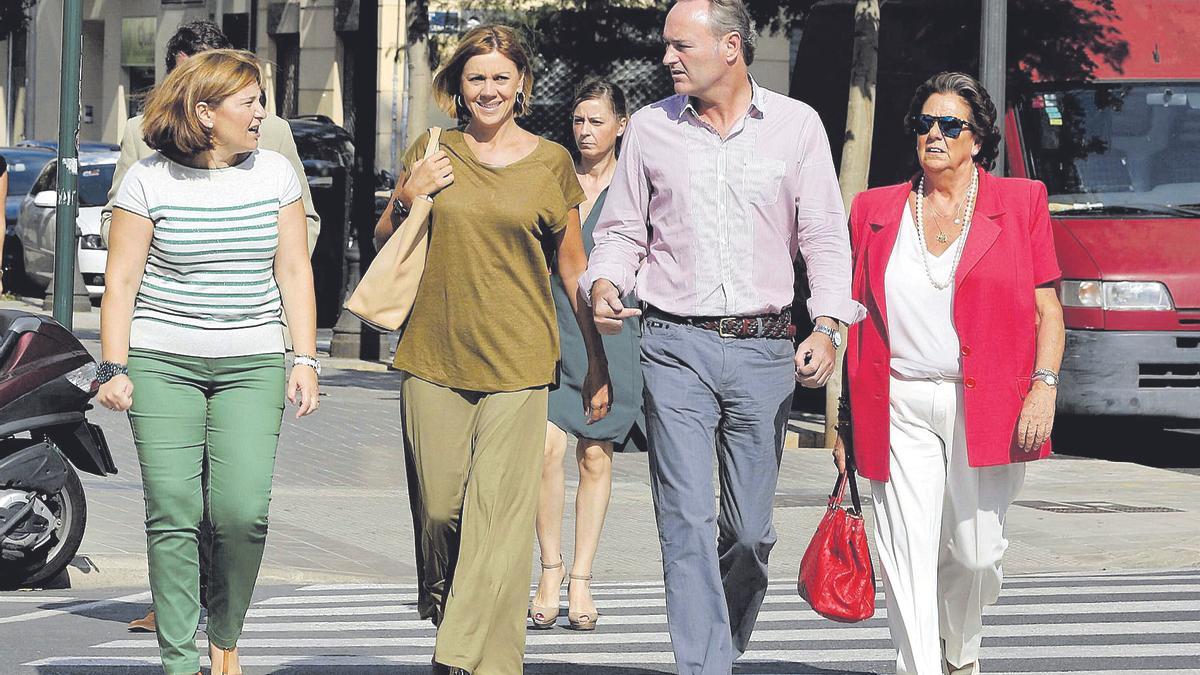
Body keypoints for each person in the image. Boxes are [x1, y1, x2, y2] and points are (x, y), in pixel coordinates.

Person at [581, 1, 863, 671]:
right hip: (673, 345)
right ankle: (705, 663)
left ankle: (721, 638)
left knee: (747, 533)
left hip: (767, 348)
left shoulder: (797, 127)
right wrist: (603, 282)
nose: (666, 58)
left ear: (730, 48)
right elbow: (622, 229)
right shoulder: (651, 129)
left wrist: (828, 325)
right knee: (684, 520)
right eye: (666, 45)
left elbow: (823, 234)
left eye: (681, 45)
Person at [374, 24, 612, 675]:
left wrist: (594, 358)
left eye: (501, 78)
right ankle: (452, 608)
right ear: (459, 85)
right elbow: (384, 237)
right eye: (476, 78)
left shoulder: (550, 162)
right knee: (441, 510)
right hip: (432, 358)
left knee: (500, 521)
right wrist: (409, 191)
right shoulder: (433, 148)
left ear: (522, 86)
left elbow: (572, 269)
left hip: (520, 366)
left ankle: (470, 658)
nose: (488, 89)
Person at [97, 49, 320, 675]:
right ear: (205, 112)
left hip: (252, 363)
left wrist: (305, 358)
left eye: (259, 100)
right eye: (248, 102)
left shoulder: (276, 173)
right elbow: (121, 283)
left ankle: (225, 632)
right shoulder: (149, 181)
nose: (261, 113)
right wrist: (114, 367)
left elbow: (295, 268)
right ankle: (178, 660)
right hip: (162, 360)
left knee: (241, 513)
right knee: (174, 509)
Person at [836, 71, 1066, 675]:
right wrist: (843, 418)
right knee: (906, 558)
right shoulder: (873, 210)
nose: (933, 135)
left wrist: (1043, 387)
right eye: (924, 124)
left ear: (978, 138)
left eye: (949, 125)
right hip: (898, 404)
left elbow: (1049, 311)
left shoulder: (1021, 203)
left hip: (986, 406)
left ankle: (960, 652)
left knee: (974, 555)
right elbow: (855, 320)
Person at [530, 79, 643, 633]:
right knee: (546, 450)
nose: (585, 131)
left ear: (621, 125)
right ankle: (549, 570)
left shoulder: (636, 183)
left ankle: (581, 577)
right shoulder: (555, 177)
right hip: (552, 325)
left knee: (595, 455)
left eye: (597, 120)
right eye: (578, 120)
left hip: (615, 332)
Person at [101, 20, 320, 254]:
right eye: (187, 78)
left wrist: (269, 271)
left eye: (208, 78)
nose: (195, 89)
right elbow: (114, 220)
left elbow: (305, 220)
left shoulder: (272, 132)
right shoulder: (141, 132)